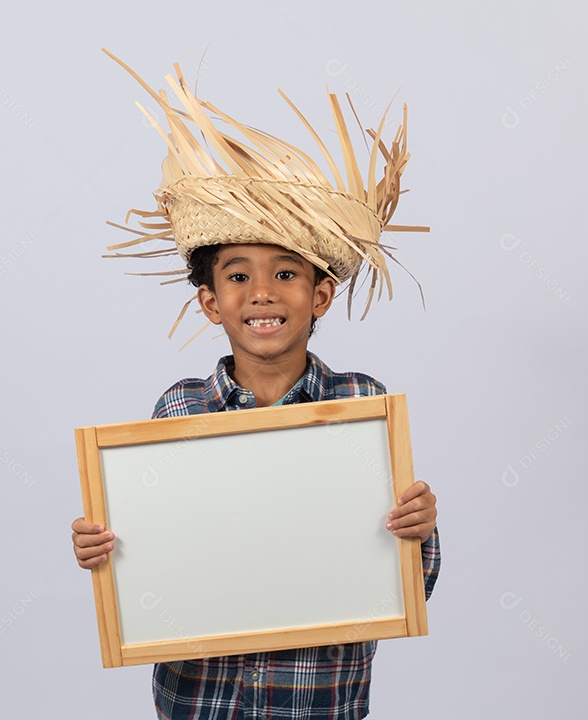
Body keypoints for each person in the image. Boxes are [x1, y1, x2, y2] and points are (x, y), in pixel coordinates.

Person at [71, 49, 440, 719]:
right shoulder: (179, 409)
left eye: (286, 273)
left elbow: (408, 578)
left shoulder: (363, 407)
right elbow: (155, 549)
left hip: (317, 700)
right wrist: (107, 550)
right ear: (211, 302)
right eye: (238, 275)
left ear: (320, 296)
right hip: (203, 700)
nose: (262, 293)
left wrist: (420, 530)